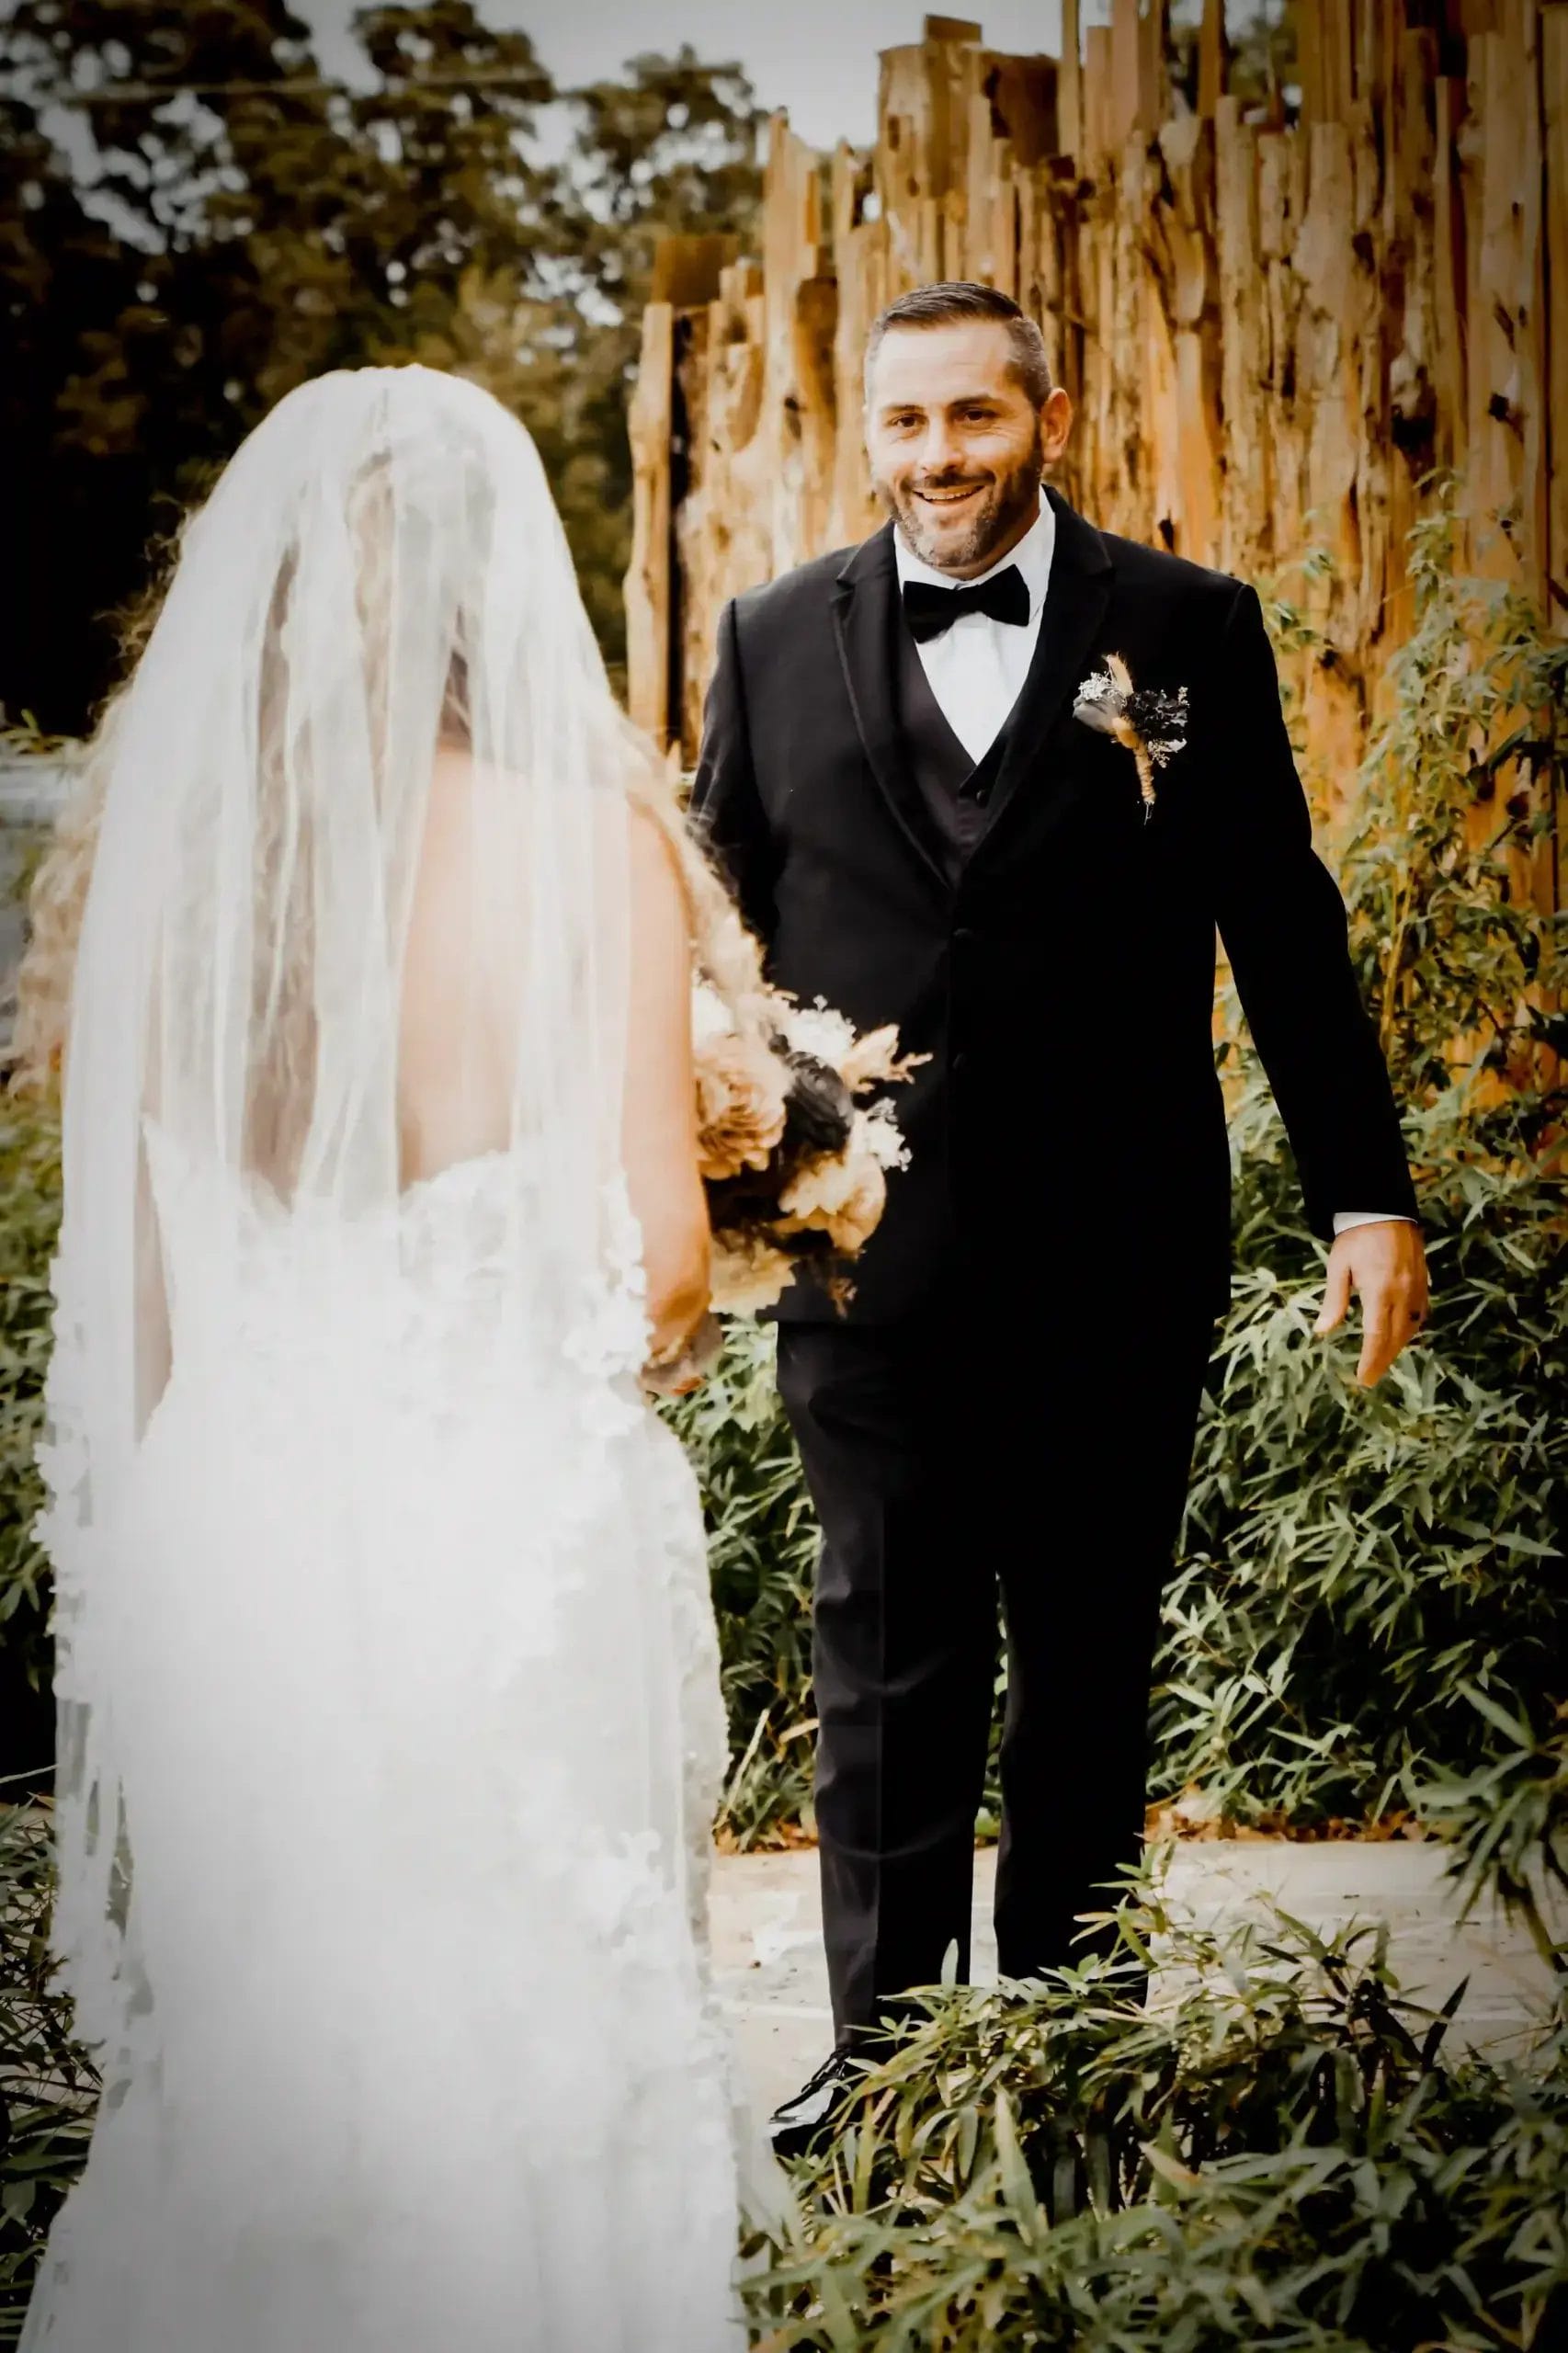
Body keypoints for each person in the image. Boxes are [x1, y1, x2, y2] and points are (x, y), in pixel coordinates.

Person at [16, 365, 754, 2350]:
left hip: (241, 1525)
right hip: (508, 1532)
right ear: (491, 594)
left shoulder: (177, 877)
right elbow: (656, 1269)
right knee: (525, 2029)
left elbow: (147, 1313)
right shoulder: (584, 843)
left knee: (274, 2062)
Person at [690, 280, 1430, 2158]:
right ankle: (883, 2061)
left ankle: (1077, 2054)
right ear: (868, 431)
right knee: (879, 1664)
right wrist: (718, 1178)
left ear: (1049, 414)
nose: (937, 455)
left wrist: (1364, 1187)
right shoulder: (774, 635)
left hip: (1115, 1247)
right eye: (905, 421)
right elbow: (709, 938)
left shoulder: (1172, 632)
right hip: (860, 1249)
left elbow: (1277, 913)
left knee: (1089, 1666)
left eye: (972, 416)